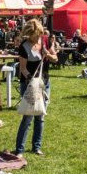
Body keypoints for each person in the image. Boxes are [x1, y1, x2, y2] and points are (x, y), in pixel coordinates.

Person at [14, 19, 55, 158]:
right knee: (28, 117)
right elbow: (23, 69)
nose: (38, 37)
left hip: (45, 83)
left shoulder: (44, 42)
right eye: (36, 35)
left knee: (40, 116)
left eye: (40, 34)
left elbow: (55, 58)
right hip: (30, 84)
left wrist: (47, 54)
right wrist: (32, 79)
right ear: (30, 34)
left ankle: (36, 147)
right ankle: (19, 149)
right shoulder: (24, 47)